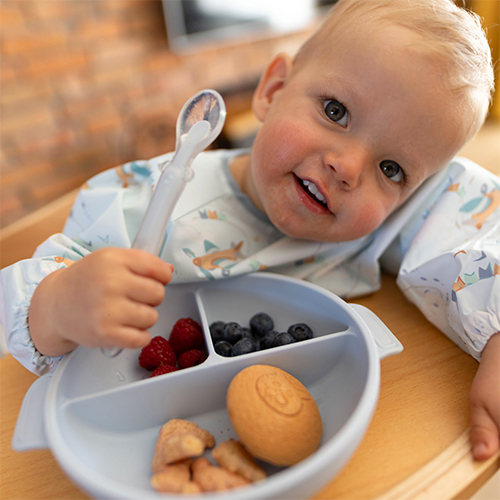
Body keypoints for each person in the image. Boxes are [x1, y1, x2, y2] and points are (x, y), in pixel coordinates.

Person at [1, 0, 498, 462]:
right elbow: (23, 297)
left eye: (391, 169)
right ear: (273, 89)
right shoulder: (141, 204)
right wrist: (57, 305)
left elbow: (481, 226)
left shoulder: (384, 215)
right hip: (127, 441)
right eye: (336, 112)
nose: (347, 167)